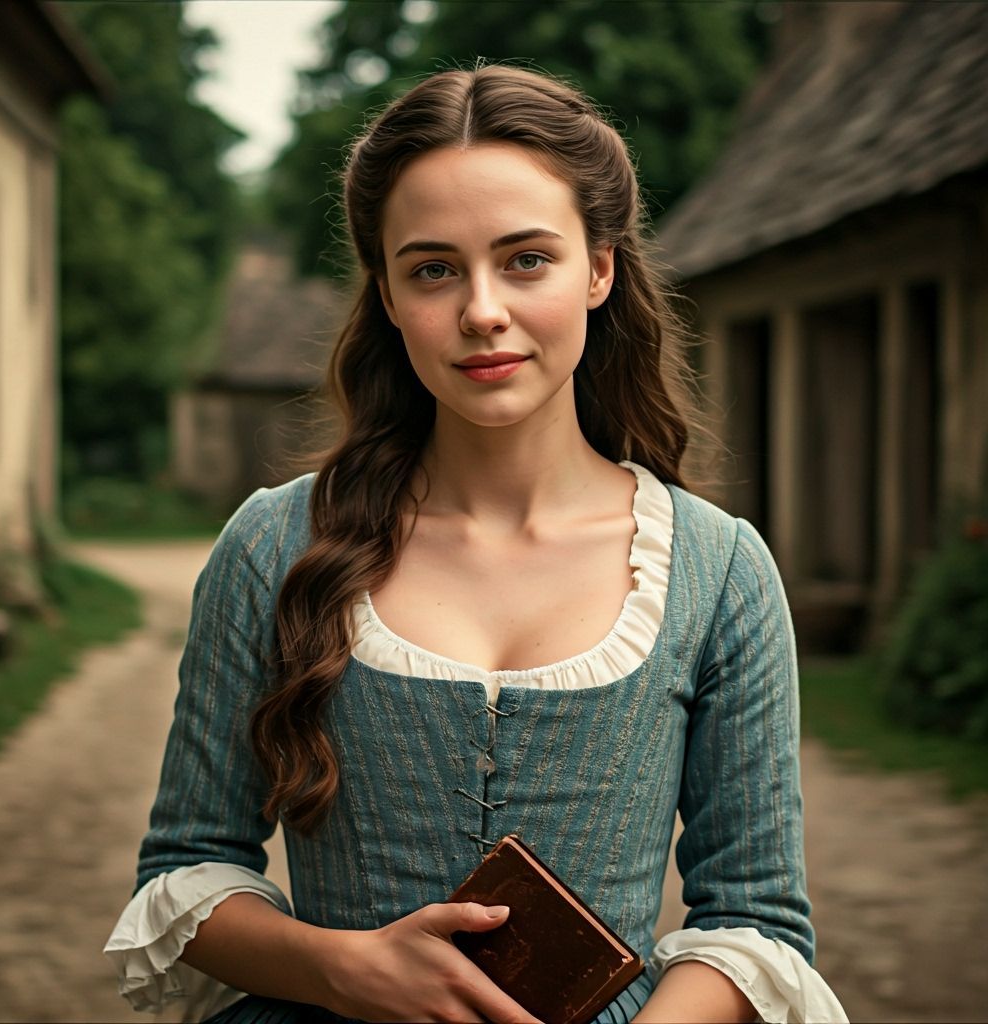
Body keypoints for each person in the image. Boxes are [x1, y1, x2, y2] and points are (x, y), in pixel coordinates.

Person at [105, 65, 847, 1024]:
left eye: (526, 259)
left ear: (600, 268)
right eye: (433, 268)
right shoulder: (274, 544)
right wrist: (344, 970)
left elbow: (755, 918)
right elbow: (189, 870)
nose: (481, 310)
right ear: (386, 294)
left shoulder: (720, 571)